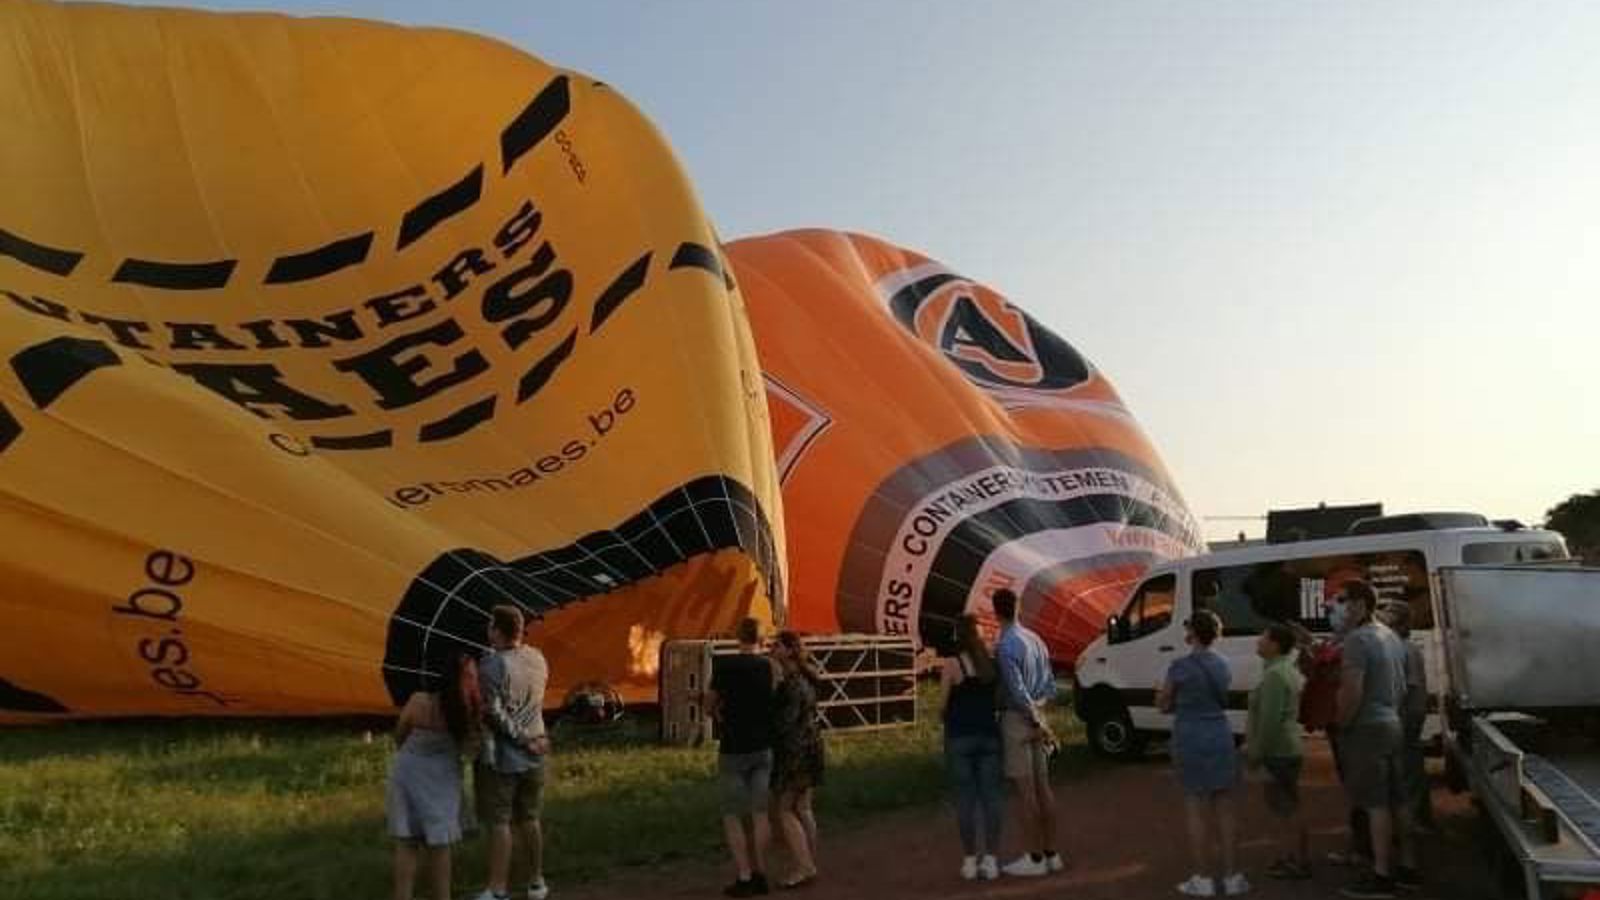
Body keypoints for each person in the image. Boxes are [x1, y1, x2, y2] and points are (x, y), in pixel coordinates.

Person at [1335, 582, 1419, 899]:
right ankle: (1409, 867)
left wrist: (1343, 723)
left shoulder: (1357, 640)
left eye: (1342, 601)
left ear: (1358, 604)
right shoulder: (1390, 636)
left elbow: (1352, 691)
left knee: (1375, 803)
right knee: (1399, 799)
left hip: (1367, 728)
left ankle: (1381, 874)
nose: (1338, 607)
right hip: (1392, 722)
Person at [1158, 610, 1248, 898]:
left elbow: (1164, 704)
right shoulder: (1223, 664)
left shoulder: (1179, 666)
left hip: (1190, 735)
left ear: (1193, 633)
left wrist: (1160, 696)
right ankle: (1232, 876)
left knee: (1196, 806)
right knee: (1225, 807)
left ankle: (1203, 878)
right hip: (1219, 734)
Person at [388, 652, 483, 900]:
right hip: (443, 778)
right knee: (439, 845)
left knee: (407, 843)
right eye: (472, 676)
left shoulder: (419, 701)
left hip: (408, 772)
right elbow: (471, 751)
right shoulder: (468, 713)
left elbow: (400, 735)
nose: (475, 680)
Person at [473, 606, 552, 900]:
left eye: (490, 626)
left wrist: (521, 739)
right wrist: (532, 738)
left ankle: (497, 889)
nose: (487, 630)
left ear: (497, 630)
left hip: (504, 756)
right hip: (536, 748)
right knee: (530, 817)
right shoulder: (538, 658)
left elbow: (493, 712)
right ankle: (536, 882)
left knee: (500, 822)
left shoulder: (492, 667)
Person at [992, 589, 1064, 877]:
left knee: (1025, 793)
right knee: (1043, 787)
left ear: (996, 611)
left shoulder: (1006, 645)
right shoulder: (1036, 640)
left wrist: (1033, 719)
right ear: (1018, 608)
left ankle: (1034, 857)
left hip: (1018, 721)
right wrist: (1041, 716)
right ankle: (1051, 853)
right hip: (1038, 716)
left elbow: (1015, 690)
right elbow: (1050, 686)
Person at [708, 617, 780, 897]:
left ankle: (744, 875)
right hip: (763, 747)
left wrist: (716, 712)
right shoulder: (769, 666)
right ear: (760, 638)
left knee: (732, 815)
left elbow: (708, 704)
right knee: (760, 813)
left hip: (734, 748)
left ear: (738, 636)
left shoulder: (725, 666)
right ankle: (762, 871)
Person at [941, 614, 1004, 881]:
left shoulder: (952, 665)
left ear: (958, 636)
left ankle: (969, 860)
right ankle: (990, 860)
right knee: (991, 799)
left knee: (966, 801)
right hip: (989, 736)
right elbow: (999, 700)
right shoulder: (991, 665)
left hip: (960, 737)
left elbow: (943, 704)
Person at [1246, 623, 1308, 881]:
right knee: (1289, 805)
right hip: (1289, 746)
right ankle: (1295, 857)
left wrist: (1256, 752)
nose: (1259, 641)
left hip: (1278, 750)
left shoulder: (1274, 675)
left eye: (1263, 637)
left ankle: (1294, 859)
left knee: (1284, 809)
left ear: (1274, 645)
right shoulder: (1286, 670)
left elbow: (1269, 720)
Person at [769, 631, 825, 889]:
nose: (772, 648)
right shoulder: (808, 677)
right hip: (812, 745)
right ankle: (809, 859)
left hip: (794, 750)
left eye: (777, 645)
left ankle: (804, 866)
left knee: (785, 809)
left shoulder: (790, 684)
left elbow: (783, 723)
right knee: (803, 808)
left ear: (789, 650)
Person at [1378, 600, 1434, 833]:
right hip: (1410, 713)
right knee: (1411, 766)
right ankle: (1417, 818)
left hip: (1406, 715)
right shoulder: (1403, 646)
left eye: (1387, 616)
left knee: (1407, 768)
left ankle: (1413, 821)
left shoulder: (1403, 647)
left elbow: (1406, 687)